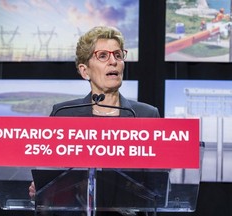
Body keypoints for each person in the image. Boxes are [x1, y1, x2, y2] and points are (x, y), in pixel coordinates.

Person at [29, 26, 160, 216]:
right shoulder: (64, 114)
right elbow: (50, 180)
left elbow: (158, 186)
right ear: (85, 71)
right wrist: (40, 190)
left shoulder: (145, 115)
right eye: (103, 56)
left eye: (118, 55)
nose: (113, 62)